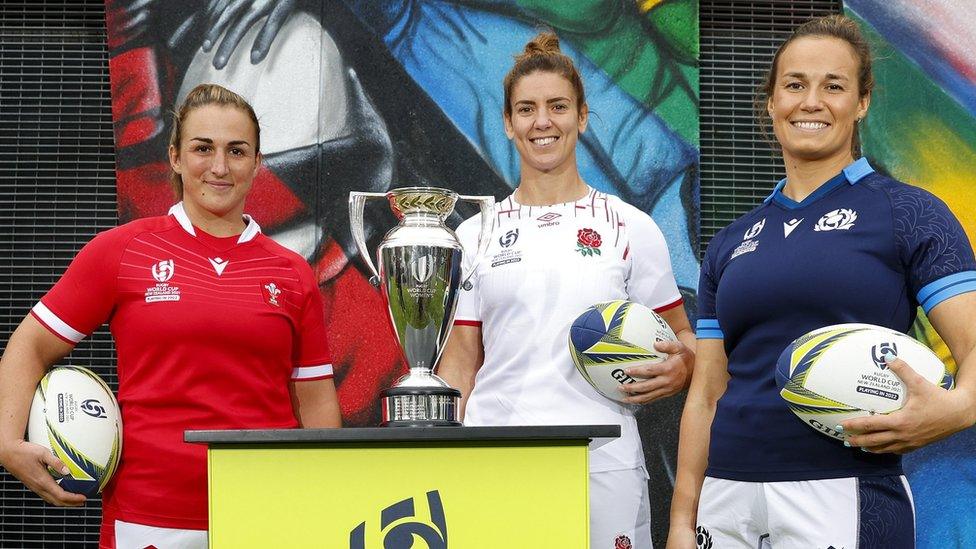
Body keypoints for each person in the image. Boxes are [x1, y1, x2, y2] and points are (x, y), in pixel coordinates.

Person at [667, 15, 976, 549]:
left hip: (845, 493)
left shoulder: (910, 213)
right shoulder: (731, 241)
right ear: (771, 102)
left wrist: (959, 408)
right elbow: (707, 395)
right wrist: (680, 521)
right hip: (725, 500)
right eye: (795, 85)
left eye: (833, 86)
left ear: (862, 103)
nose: (811, 102)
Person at [0, 83, 341, 549]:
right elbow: (30, 345)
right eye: (204, 148)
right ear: (176, 157)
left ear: (257, 164)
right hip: (147, 516)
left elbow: (317, 404)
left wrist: (323, 498)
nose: (219, 166)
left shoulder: (293, 273)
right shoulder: (121, 250)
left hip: (266, 511)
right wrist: (5, 441)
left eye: (236, 151)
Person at [439, 32, 697, 549]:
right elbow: (461, 362)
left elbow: (685, 339)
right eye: (527, 109)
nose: (543, 122)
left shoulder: (630, 227)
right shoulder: (475, 234)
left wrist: (682, 366)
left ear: (581, 117)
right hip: (498, 457)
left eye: (558, 107)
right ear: (509, 123)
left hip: (605, 460)